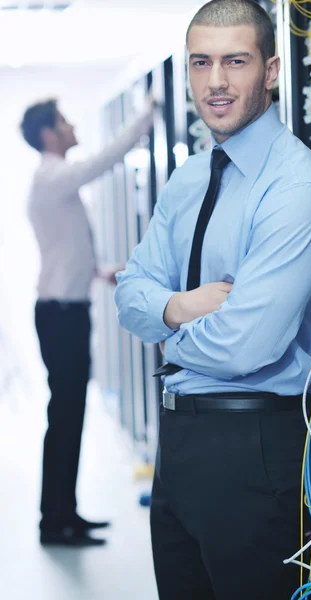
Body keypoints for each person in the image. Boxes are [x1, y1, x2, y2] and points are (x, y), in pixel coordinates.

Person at [115, 0, 311, 597]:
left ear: (270, 71)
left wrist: (161, 323)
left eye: (235, 62)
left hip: (257, 451)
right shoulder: (189, 178)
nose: (215, 82)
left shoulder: (298, 187)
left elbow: (247, 345)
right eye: (201, 63)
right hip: (180, 450)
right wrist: (184, 306)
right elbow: (129, 295)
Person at [21, 97, 153, 547]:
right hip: (61, 314)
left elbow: (64, 245)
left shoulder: (51, 180)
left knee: (68, 416)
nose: (73, 123)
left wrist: (98, 271)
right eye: (64, 120)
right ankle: (55, 521)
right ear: (48, 134)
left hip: (63, 308)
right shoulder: (53, 174)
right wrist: (146, 116)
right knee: (65, 416)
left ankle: (64, 514)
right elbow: (103, 160)